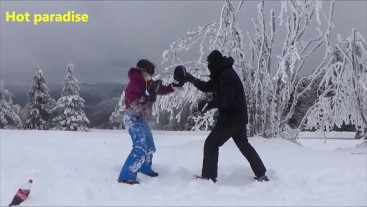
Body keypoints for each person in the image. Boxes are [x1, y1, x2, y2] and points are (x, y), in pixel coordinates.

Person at [173, 50, 269, 183]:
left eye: (210, 63)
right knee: (244, 145)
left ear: (216, 63)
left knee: (211, 144)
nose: (209, 66)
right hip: (237, 118)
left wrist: (209, 104)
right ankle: (261, 175)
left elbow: (226, 99)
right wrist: (190, 78)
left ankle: (208, 177)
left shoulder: (227, 76)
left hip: (231, 119)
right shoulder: (222, 74)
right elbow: (207, 87)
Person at [118, 59, 180, 185]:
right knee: (140, 147)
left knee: (150, 146)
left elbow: (160, 89)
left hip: (142, 119)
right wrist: (147, 96)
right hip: (132, 118)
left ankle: (145, 168)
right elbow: (133, 105)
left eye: (151, 73)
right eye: (148, 73)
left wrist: (174, 85)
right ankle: (126, 175)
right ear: (141, 71)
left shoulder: (149, 83)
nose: (150, 75)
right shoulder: (133, 84)